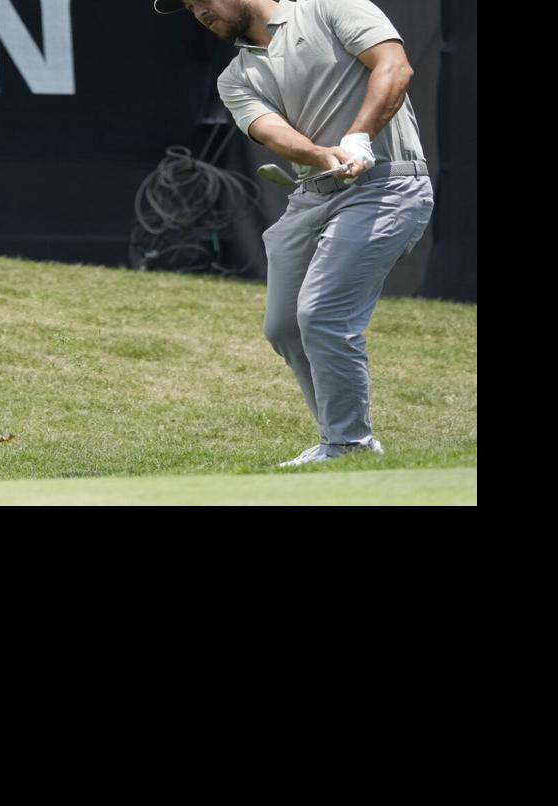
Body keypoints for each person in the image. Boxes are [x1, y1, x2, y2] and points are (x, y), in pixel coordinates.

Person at [155, 0, 434, 467]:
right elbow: (272, 131)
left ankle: (350, 446)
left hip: (387, 185)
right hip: (311, 195)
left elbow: (394, 66)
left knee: (322, 313)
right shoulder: (235, 77)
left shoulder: (331, 7)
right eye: (188, 8)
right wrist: (321, 156)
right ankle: (337, 438)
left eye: (201, 0)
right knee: (284, 326)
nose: (198, 12)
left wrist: (359, 136)